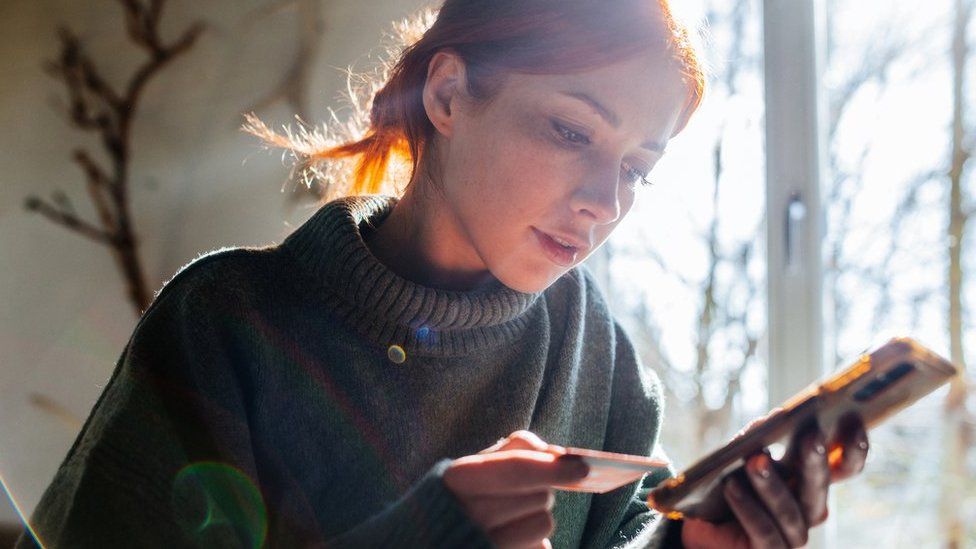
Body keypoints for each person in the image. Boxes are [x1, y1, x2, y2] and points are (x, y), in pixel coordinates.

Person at [18, 0, 869, 547]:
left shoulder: (590, 341)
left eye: (638, 167)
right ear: (449, 95)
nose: (606, 200)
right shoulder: (224, 324)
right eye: (573, 132)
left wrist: (691, 546)